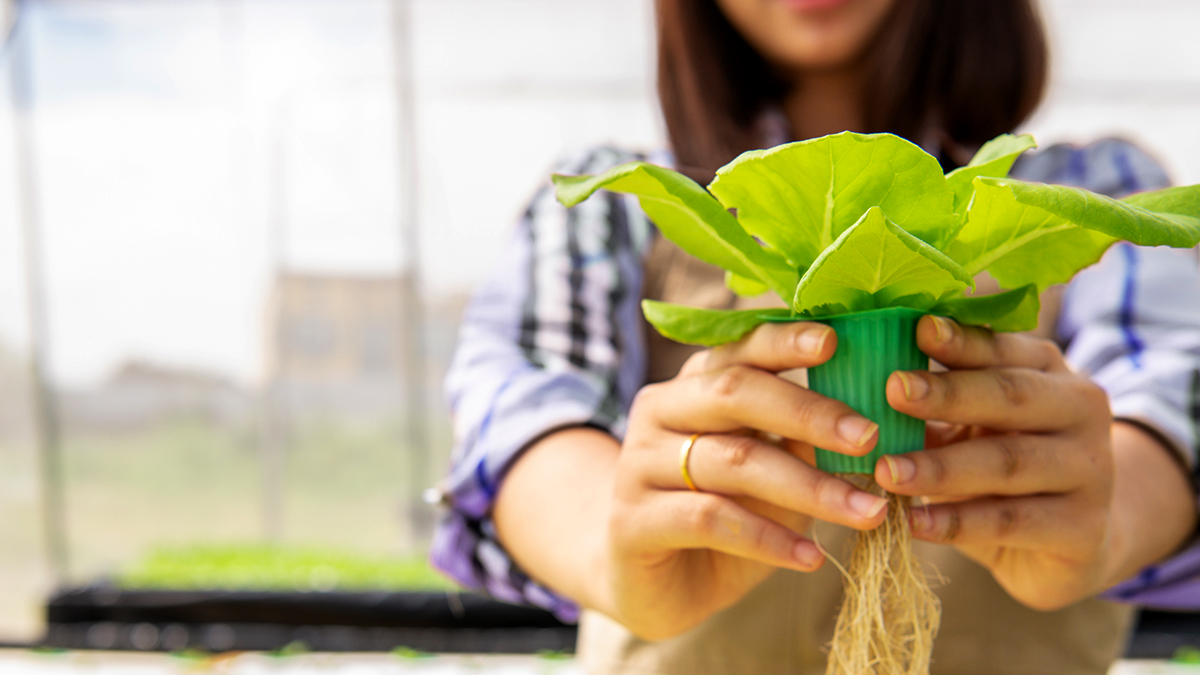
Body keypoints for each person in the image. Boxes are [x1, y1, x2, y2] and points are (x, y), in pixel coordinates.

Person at [430, 0, 1200, 673]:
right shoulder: (613, 204)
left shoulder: (1091, 187)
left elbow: (1174, 400)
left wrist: (1109, 514)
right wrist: (615, 542)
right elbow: (521, 414)